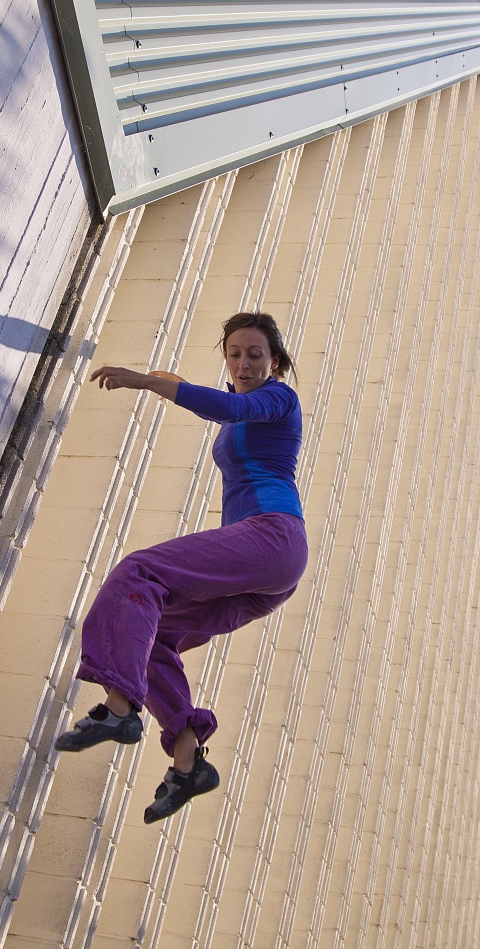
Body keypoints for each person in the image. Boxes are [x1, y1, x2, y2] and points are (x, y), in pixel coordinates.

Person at [55, 311, 308, 824]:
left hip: (273, 535)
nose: (243, 363)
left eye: (255, 354)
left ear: (275, 361)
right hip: (268, 572)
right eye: (234, 354)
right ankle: (188, 762)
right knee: (151, 633)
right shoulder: (243, 404)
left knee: (138, 575)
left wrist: (152, 385)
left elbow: (226, 406)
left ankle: (121, 708)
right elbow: (209, 396)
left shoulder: (277, 398)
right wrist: (155, 379)